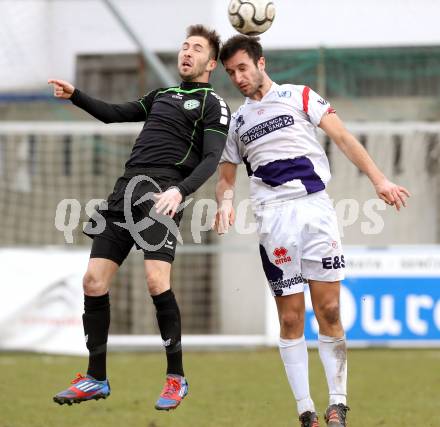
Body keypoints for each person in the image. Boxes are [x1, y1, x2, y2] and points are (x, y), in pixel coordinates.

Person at [214, 35, 409, 427]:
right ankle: (306, 410)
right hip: (273, 220)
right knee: (290, 319)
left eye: (242, 68)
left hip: (316, 210)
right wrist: (224, 202)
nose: (237, 77)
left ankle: (338, 404)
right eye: (231, 72)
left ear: (261, 62)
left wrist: (379, 180)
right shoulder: (236, 123)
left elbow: (342, 137)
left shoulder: (300, 95)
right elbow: (227, 177)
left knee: (331, 309)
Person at [48, 25, 230, 410]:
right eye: (184, 46)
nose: (187, 52)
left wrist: (180, 191)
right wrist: (75, 95)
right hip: (124, 192)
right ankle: (96, 377)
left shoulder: (212, 103)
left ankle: (176, 378)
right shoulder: (162, 94)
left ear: (210, 63)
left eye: (196, 48)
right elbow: (114, 114)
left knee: (154, 280)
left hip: (162, 194)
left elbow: (212, 158)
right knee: (93, 281)